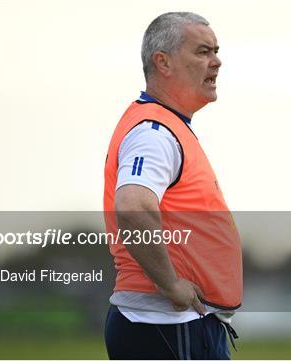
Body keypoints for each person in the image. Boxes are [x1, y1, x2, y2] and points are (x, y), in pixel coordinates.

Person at [103, 12, 243, 359]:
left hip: (175, 323)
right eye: (202, 52)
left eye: (216, 51)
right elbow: (133, 208)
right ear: (162, 62)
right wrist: (171, 284)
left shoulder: (167, 126)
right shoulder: (154, 132)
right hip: (164, 323)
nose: (217, 62)